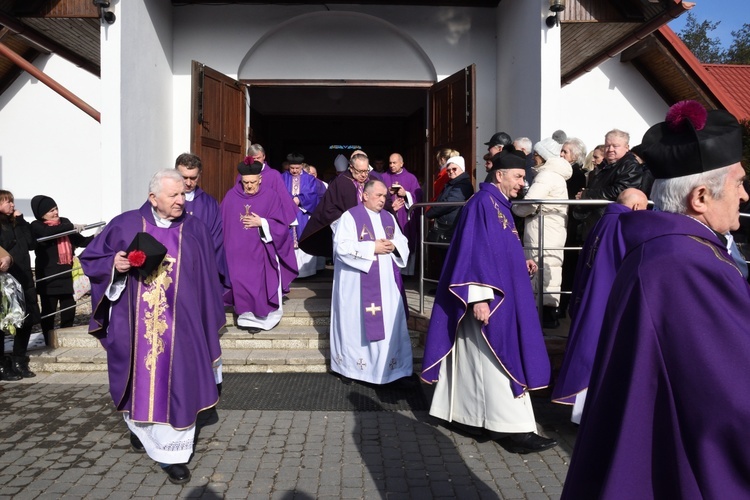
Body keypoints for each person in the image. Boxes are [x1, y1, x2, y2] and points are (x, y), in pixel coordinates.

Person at [562, 101, 750, 498]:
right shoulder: (687, 264)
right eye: (738, 183)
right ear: (700, 197)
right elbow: (733, 399)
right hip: (683, 468)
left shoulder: (664, 249)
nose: (745, 195)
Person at [79, 169, 224, 485]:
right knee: (140, 385)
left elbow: (207, 280)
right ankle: (142, 433)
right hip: (136, 327)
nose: (180, 201)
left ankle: (172, 456)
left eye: (182, 194)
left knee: (178, 388)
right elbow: (91, 258)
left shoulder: (195, 228)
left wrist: (207, 322)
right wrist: (115, 266)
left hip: (183, 329)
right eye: (173, 195)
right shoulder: (126, 224)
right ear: (153, 198)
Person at [421, 149, 557, 454]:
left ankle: (465, 416)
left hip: (498, 296)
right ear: (500, 175)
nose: (522, 183)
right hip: (487, 301)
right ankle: (515, 430)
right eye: (519, 176)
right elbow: (473, 252)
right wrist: (479, 297)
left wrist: (518, 262)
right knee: (499, 360)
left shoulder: (499, 204)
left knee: (476, 362)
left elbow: (495, 250)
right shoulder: (482, 203)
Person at [551, 188, 648, 423]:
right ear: (636, 208)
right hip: (608, 297)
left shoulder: (603, 221)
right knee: (599, 353)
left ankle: (582, 415)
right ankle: (592, 416)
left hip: (591, 295)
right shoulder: (624, 225)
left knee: (589, 350)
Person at [330, 179, 412, 385]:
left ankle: (393, 372)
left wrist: (393, 246)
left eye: (385, 196)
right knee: (356, 326)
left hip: (386, 286)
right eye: (378, 196)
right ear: (365, 196)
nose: (383, 200)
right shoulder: (349, 217)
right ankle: (352, 370)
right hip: (357, 286)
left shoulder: (388, 217)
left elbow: (403, 242)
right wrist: (371, 248)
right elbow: (341, 248)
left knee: (390, 324)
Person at [221, 160, 298, 332]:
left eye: (253, 182)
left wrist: (262, 222)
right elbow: (222, 223)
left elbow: (280, 225)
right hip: (237, 254)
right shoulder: (231, 196)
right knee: (240, 283)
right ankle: (246, 318)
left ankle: (263, 319)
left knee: (260, 285)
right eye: (245, 182)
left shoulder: (271, 196)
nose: (249, 186)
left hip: (262, 252)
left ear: (260, 179)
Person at [512, 138, 572, 329]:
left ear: (544, 156)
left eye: (536, 155)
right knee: (550, 268)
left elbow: (530, 203)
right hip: (550, 227)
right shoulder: (555, 175)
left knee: (543, 268)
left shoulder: (546, 176)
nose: (533, 158)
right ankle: (548, 313)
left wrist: (514, 209)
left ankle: (545, 316)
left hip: (544, 229)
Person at [299, 151, 390, 258]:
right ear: (351, 168)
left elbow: (384, 201)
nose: (364, 175)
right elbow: (328, 208)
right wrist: (346, 221)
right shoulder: (340, 182)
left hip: (372, 229)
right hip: (347, 230)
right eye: (360, 171)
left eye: (366, 171)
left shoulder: (373, 181)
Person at [30, 195, 94, 346]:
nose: (55, 212)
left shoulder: (64, 222)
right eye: (51, 210)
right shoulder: (36, 225)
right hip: (49, 277)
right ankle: (48, 341)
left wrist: (98, 236)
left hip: (66, 275)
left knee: (69, 310)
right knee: (48, 312)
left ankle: (65, 339)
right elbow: (47, 233)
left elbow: (81, 241)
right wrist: (71, 226)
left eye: (56, 208)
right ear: (41, 214)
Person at [573, 129, 644, 240]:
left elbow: (620, 191)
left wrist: (587, 195)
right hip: (596, 220)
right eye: (607, 145)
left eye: (615, 146)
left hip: (611, 222)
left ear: (627, 147)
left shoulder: (630, 165)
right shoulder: (605, 165)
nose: (610, 149)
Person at [174, 153, 229, 290]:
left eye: (193, 178)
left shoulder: (209, 204)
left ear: (199, 175)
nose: (188, 183)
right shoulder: (164, 198)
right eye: (184, 177)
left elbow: (215, 238)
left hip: (199, 265)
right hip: (171, 264)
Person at [0, 190, 39, 379]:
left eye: (12, 201)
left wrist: (21, 221)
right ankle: (2, 364)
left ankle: (18, 359)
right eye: (7, 202)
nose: (12, 205)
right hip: (6, 280)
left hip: (24, 277)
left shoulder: (18, 223)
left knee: (26, 319)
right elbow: (5, 244)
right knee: (3, 321)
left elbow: (31, 243)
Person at [558, 138, 588, 317]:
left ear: (575, 156)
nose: (561, 154)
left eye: (565, 152)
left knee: (568, 266)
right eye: (561, 151)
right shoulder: (566, 172)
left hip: (570, 225)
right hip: (565, 223)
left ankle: (562, 306)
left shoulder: (574, 174)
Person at [380, 153, 422, 275]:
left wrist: (406, 194)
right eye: (390, 163)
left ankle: (406, 272)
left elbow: (418, 197)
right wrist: (387, 193)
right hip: (389, 214)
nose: (392, 165)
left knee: (406, 240)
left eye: (394, 163)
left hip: (405, 217)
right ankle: (391, 270)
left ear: (401, 163)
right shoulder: (383, 177)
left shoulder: (411, 178)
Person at [282, 153, 321, 278]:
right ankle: (289, 271)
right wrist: (290, 200)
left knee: (303, 238)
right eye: (292, 168)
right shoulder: (282, 177)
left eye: (297, 168)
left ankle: (305, 271)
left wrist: (300, 199)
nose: (294, 171)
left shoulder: (309, 179)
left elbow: (312, 193)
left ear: (301, 167)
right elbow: (279, 192)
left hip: (302, 213)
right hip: (287, 213)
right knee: (288, 240)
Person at [425, 156, 473, 244]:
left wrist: (430, 214)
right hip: (447, 227)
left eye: (454, 169)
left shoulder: (462, 184)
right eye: (448, 170)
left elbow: (449, 203)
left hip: (451, 228)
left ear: (461, 168)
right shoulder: (452, 183)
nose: (451, 172)